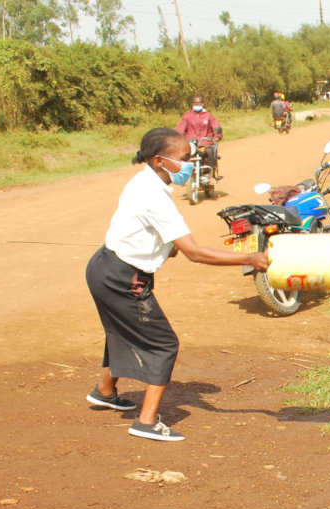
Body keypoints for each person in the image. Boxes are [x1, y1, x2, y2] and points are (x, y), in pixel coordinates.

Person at [85, 127, 268, 442]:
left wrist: (165, 247)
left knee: (121, 330)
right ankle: (146, 420)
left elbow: (144, 230)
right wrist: (249, 259)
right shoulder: (154, 196)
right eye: (184, 159)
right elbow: (195, 253)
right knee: (163, 344)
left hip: (102, 267)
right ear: (160, 160)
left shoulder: (142, 181)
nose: (190, 164)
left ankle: (105, 390)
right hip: (123, 278)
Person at [176, 95, 222, 178]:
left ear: (202, 104)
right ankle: (183, 175)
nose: (197, 105)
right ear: (192, 104)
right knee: (181, 155)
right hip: (191, 144)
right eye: (195, 103)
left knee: (211, 152)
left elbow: (216, 126)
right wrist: (177, 137)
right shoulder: (187, 116)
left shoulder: (208, 116)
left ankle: (210, 174)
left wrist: (217, 136)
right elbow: (180, 128)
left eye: (199, 103)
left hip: (206, 143)